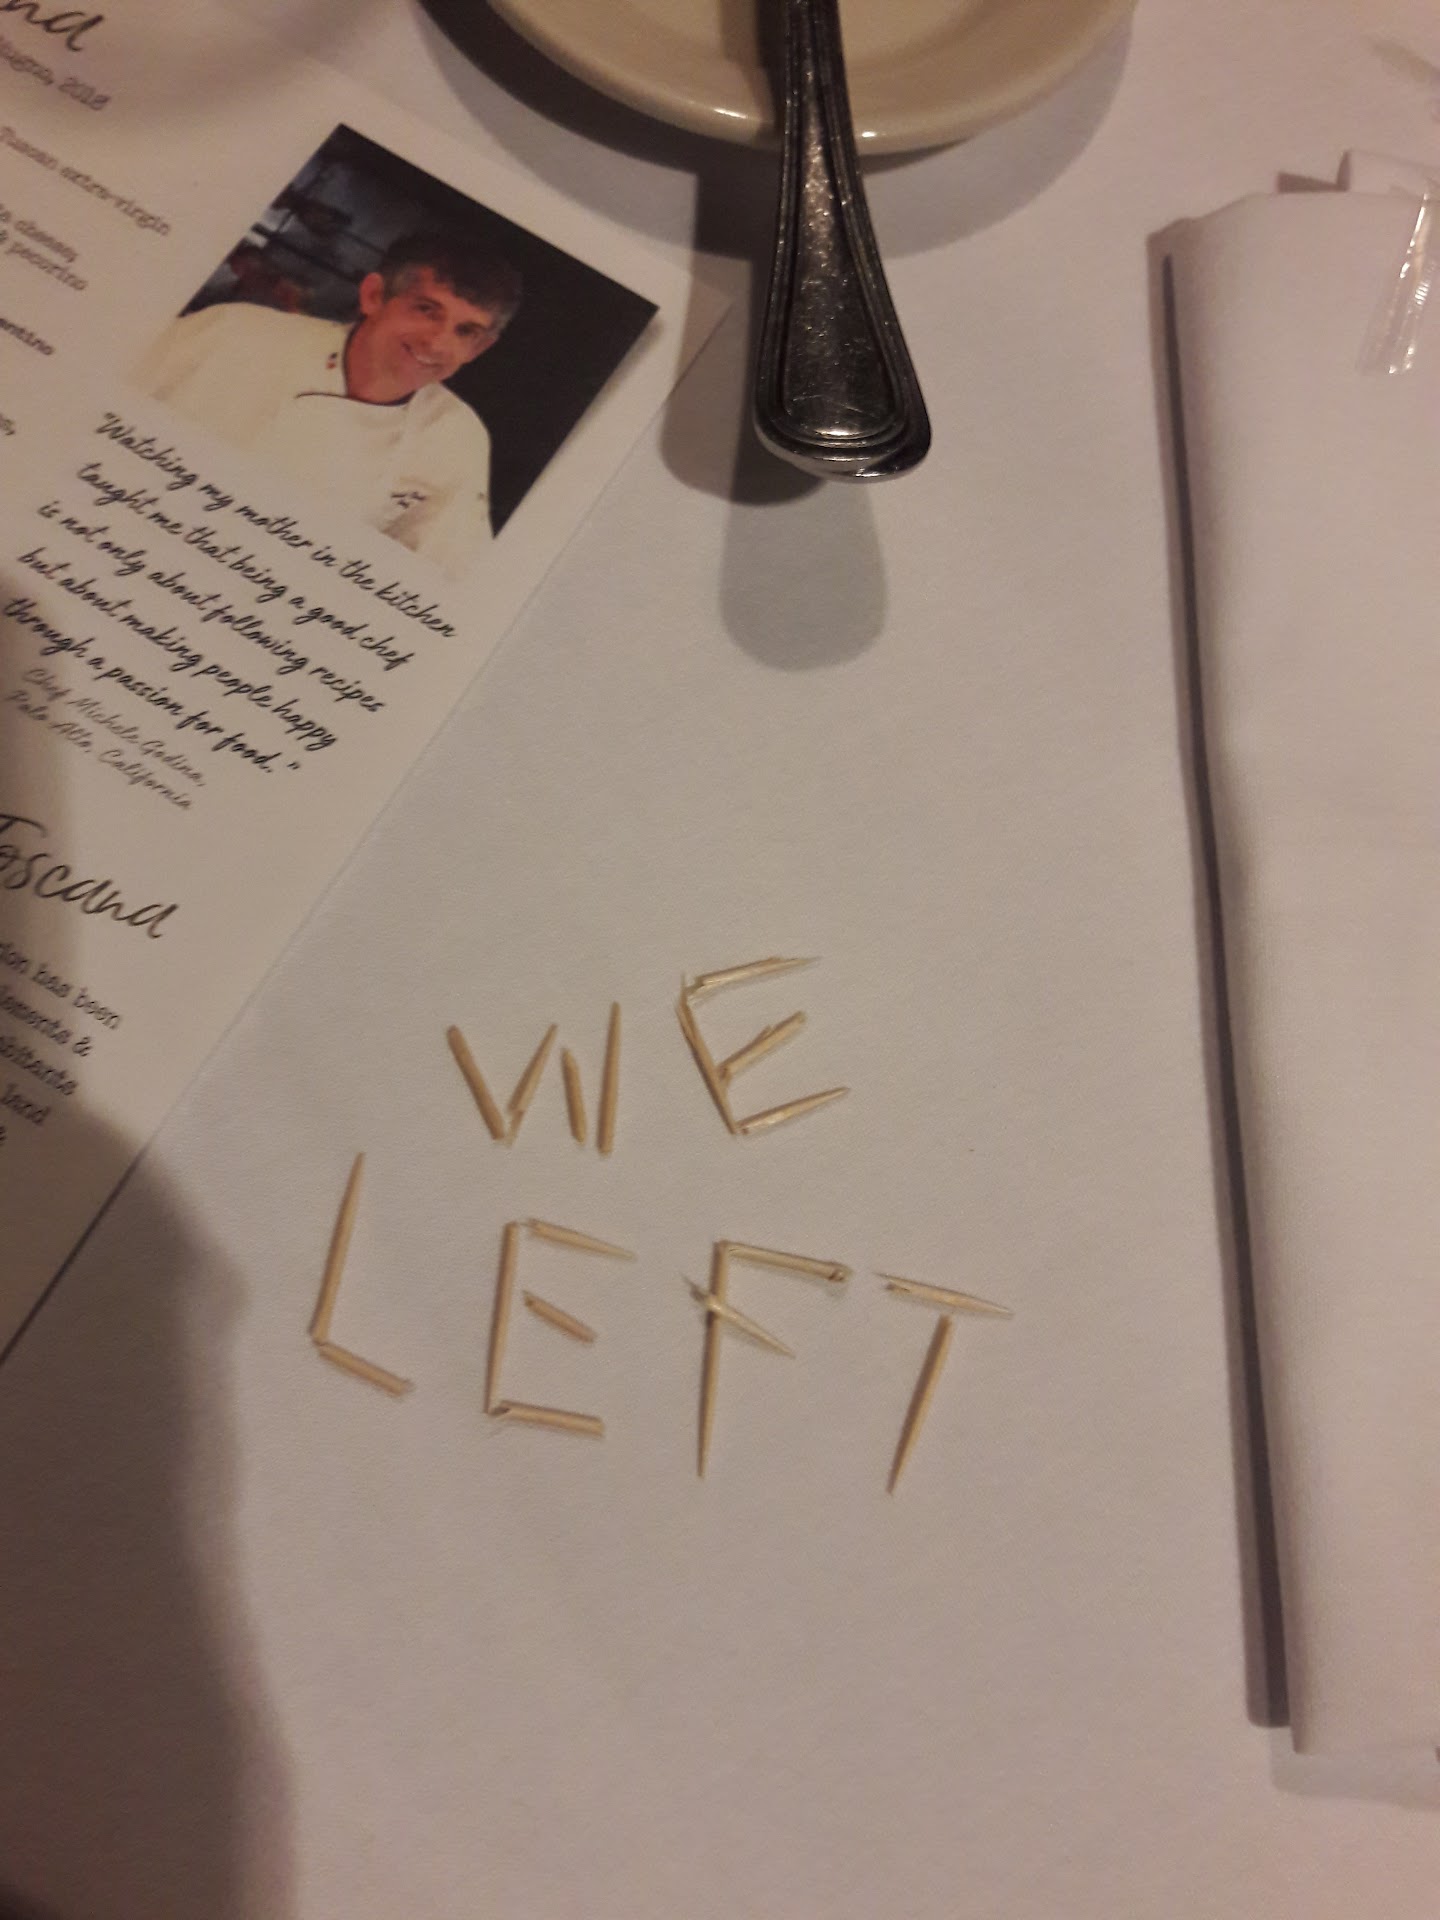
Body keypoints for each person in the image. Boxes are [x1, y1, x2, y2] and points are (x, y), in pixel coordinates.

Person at [134, 233, 522, 580]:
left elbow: (442, 579)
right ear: (374, 296)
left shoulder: (455, 437)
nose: (436, 343)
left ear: (480, 348)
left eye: (465, 331)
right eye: (426, 310)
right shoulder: (231, 332)